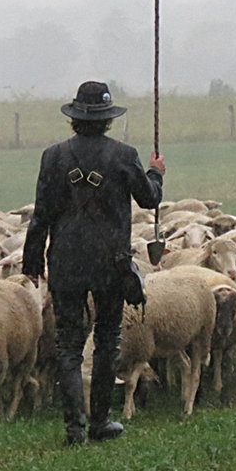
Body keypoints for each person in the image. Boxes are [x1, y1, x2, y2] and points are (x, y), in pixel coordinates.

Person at [22, 81, 165, 446]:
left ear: (75, 118)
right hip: (110, 263)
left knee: (68, 345)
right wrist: (156, 172)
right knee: (106, 340)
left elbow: (42, 213)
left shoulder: (52, 157)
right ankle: (100, 422)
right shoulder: (122, 154)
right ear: (107, 120)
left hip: (66, 261)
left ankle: (74, 430)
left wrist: (33, 260)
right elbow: (148, 200)